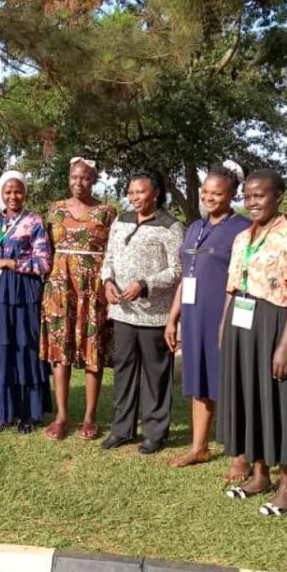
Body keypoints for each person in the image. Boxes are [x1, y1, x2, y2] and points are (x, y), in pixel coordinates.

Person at [217, 169, 287, 516]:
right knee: (250, 399)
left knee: (283, 403)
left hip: (275, 324)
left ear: (279, 196)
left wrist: (286, 346)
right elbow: (233, 289)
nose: (253, 202)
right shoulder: (242, 238)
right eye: (247, 197)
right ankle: (259, 475)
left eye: (260, 195)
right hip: (242, 325)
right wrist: (223, 330)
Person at [164, 163, 252, 475]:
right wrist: (173, 318)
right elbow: (186, 276)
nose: (210, 197)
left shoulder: (242, 228)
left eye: (217, 193)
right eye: (205, 192)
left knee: (229, 384)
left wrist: (233, 322)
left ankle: (240, 455)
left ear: (232, 194)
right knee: (199, 381)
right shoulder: (194, 228)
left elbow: (246, 279)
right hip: (193, 316)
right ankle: (199, 447)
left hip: (223, 316)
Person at [100, 169, 183, 455]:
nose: (135, 197)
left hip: (154, 316)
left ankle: (155, 432)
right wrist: (107, 281)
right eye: (131, 192)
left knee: (155, 375)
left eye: (141, 192)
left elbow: (177, 270)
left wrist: (146, 284)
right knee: (123, 371)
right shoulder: (120, 221)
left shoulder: (170, 226)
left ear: (156, 192)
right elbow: (108, 257)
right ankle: (122, 430)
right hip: (122, 312)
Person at [40, 157, 116, 441]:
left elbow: (114, 252)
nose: (78, 182)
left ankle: (89, 417)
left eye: (84, 177)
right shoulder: (55, 210)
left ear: (93, 179)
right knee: (61, 351)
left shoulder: (107, 212)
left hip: (92, 289)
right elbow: (46, 247)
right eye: (74, 177)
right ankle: (61, 416)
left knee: (91, 350)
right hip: (60, 289)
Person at [0, 170, 53, 434]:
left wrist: (13, 263)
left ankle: (27, 414)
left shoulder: (34, 221)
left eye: (18, 190)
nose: (13, 196)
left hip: (24, 292)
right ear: (1, 193)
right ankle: (3, 411)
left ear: (25, 192)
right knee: (2, 349)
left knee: (25, 348)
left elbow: (45, 262)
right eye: (8, 191)